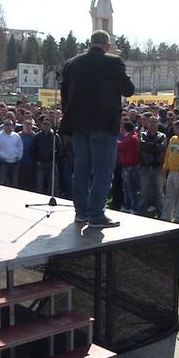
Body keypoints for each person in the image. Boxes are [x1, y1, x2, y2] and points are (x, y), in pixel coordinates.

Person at [60, 30, 135, 228]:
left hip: (77, 125)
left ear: (89, 43)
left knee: (81, 169)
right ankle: (95, 215)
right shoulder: (113, 62)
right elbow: (129, 90)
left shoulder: (71, 64)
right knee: (103, 170)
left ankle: (81, 213)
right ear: (107, 46)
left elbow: (64, 97)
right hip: (103, 124)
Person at [138, 116, 167, 215]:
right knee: (143, 192)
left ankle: (163, 213)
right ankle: (141, 212)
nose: (152, 124)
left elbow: (162, 147)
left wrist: (149, 147)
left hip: (158, 167)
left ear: (158, 124)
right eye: (150, 122)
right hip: (145, 167)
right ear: (147, 124)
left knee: (159, 193)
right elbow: (142, 145)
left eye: (154, 122)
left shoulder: (162, 136)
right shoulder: (142, 134)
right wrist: (155, 145)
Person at [32, 116, 62, 195]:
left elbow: (60, 150)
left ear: (51, 125)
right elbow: (33, 150)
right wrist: (37, 160)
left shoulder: (55, 136)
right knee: (39, 184)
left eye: (48, 124)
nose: (46, 125)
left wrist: (55, 160)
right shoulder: (37, 136)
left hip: (51, 164)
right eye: (44, 124)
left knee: (53, 185)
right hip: (40, 164)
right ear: (41, 125)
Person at [0, 119, 22, 187]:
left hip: (14, 163)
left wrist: (19, 157)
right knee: (1, 183)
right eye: (6, 124)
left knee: (13, 184)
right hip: (3, 163)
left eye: (10, 125)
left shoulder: (16, 136)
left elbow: (20, 148)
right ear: (3, 126)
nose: (9, 126)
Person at [117, 121, 140, 213]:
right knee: (128, 188)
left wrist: (116, 141)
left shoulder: (130, 138)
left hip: (129, 165)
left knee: (130, 188)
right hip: (131, 164)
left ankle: (133, 207)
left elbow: (121, 147)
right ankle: (128, 206)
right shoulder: (133, 136)